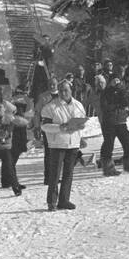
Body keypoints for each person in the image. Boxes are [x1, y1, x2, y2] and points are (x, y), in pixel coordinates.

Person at [40, 80, 87, 211]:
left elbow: (82, 122)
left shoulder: (78, 105)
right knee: (54, 174)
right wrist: (60, 127)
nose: (63, 93)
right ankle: (52, 201)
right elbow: (44, 126)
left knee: (68, 173)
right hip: (57, 144)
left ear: (71, 91)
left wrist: (81, 131)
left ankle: (64, 200)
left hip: (73, 143)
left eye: (66, 90)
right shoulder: (50, 107)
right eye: (60, 90)